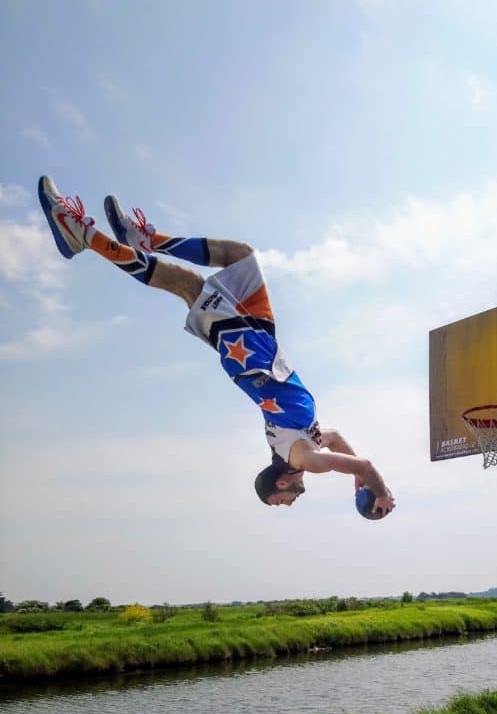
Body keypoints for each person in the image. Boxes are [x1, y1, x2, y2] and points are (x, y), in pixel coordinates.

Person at [37, 176, 396, 517]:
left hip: (250, 355)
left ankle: (84, 236)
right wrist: (358, 480)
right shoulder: (301, 448)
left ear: (283, 481)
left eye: (278, 501)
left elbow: (362, 462)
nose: (285, 505)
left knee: (186, 284)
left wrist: (379, 491)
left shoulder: (302, 459)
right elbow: (336, 440)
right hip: (261, 346)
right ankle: (142, 240)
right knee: (240, 257)